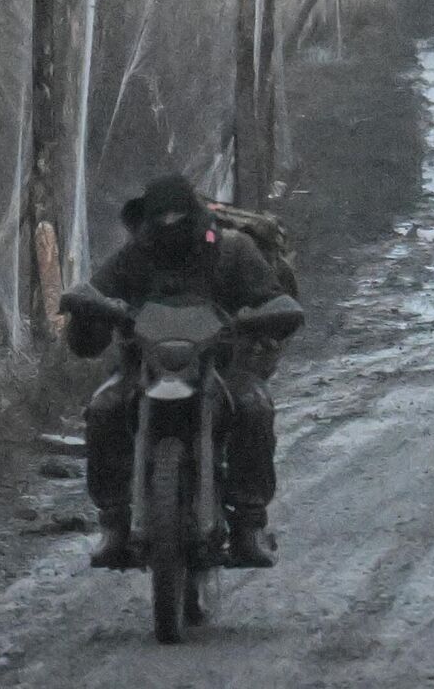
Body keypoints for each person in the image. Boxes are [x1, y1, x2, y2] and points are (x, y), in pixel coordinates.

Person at [68, 175, 293, 570]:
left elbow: (273, 298)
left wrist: (263, 316)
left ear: (195, 215)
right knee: (104, 409)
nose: (169, 225)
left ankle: (249, 523)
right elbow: (99, 293)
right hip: (143, 366)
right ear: (147, 219)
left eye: (178, 216)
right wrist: (90, 309)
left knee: (254, 408)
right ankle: (115, 522)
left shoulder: (232, 251)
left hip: (221, 365)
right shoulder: (135, 254)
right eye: (161, 217)